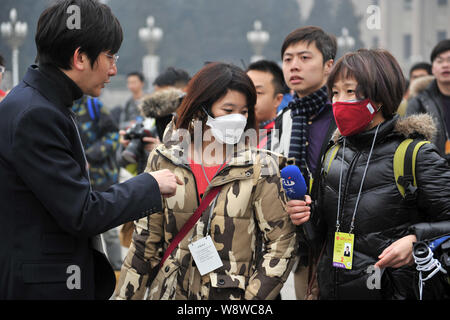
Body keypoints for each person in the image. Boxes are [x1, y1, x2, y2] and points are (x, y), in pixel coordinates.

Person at [0, 0, 181, 300]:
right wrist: (149, 184)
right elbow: (82, 212)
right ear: (80, 57)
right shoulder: (36, 114)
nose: (114, 69)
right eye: (110, 57)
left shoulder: (36, 102)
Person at [115, 62, 297, 300]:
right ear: (202, 109)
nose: (238, 119)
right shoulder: (165, 159)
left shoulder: (260, 167)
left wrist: (252, 299)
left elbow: (281, 244)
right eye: (228, 110)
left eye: (243, 112)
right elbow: (144, 244)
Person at [289, 48, 450, 300]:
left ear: (380, 96)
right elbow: (323, 233)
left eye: (350, 91)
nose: (339, 101)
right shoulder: (334, 153)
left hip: (394, 291)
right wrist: (306, 216)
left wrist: (417, 241)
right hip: (333, 289)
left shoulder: (415, 155)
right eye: (335, 93)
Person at [272, 26, 337, 300]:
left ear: (329, 66)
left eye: (305, 57)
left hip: (337, 237)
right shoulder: (286, 117)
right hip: (300, 237)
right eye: (288, 59)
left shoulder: (341, 113)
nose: (294, 66)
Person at [71, 95, 123, 273]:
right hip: (75, 180)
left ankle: (117, 271)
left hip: (101, 179)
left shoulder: (93, 105)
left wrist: (90, 156)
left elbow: (113, 135)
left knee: (109, 230)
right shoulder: (58, 105)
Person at [407, 39, 450, 161]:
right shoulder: (419, 103)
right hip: (434, 172)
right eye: (440, 61)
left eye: (449, 60)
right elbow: (410, 144)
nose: (445, 65)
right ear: (433, 69)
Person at [246, 60, 289, 149]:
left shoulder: (282, 136)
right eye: (246, 90)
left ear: (277, 100)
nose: (249, 97)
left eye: (258, 92)